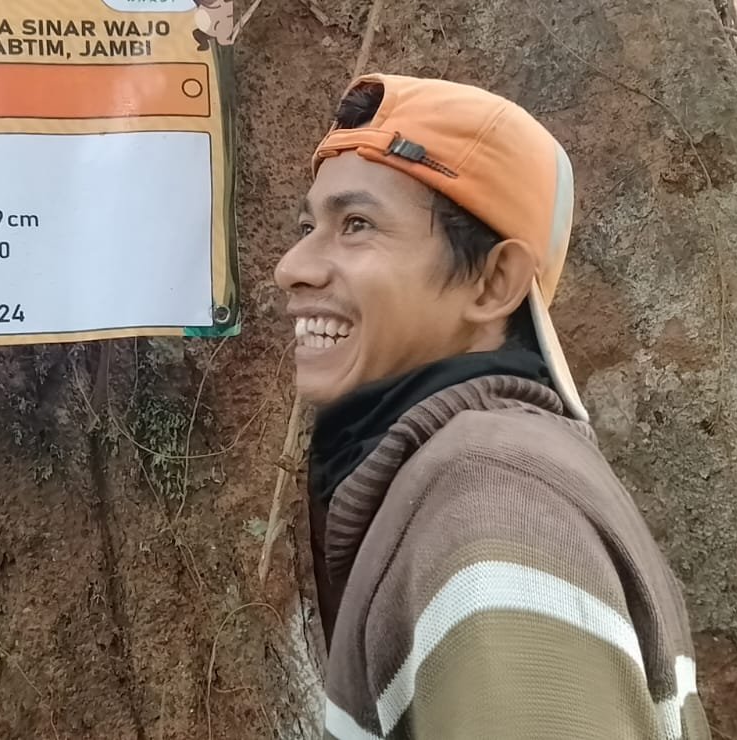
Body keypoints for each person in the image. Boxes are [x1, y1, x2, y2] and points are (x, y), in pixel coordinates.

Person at [275, 74, 710, 739]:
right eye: (309, 227)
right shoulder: (481, 474)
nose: (291, 267)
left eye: (356, 225)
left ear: (493, 282)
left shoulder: (491, 498)